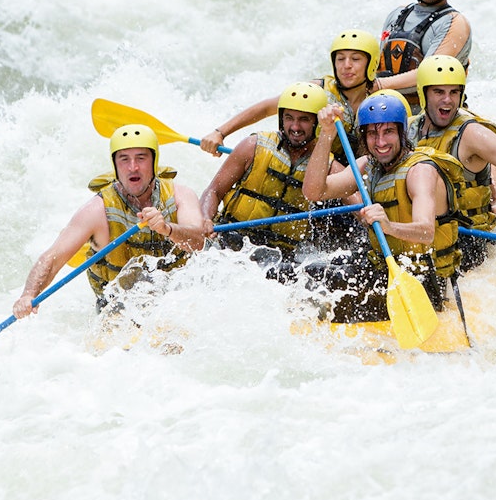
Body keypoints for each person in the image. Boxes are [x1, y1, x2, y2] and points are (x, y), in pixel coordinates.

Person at [301, 94, 466, 323]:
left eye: (388, 132)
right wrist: (326, 135)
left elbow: (426, 232)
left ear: (402, 133)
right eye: (372, 134)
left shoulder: (420, 172)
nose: (380, 142)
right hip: (385, 269)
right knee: (311, 275)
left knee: (333, 305)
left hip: (425, 281)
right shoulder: (369, 165)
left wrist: (389, 226)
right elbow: (313, 192)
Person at [12, 124, 205, 319]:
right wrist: (29, 294)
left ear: (154, 161)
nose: (133, 167)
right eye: (124, 159)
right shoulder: (97, 211)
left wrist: (167, 229)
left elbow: (199, 243)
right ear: (115, 165)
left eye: (141, 158)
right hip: (117, 311)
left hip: (176, 302)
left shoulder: (181, 196)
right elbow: (53, 258)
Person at [199, 82, 357, 266]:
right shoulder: (252, 146)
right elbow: (214, 191)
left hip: (283, 259)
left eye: (304, 119)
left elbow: (361, 208)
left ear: (317, 122)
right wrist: (204, 218)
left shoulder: (329, 167)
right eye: (289, 118)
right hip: (232, 244)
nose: (295, 127)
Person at [408, 55, 496, 270]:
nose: (448, 100)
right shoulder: (409, 128)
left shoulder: (472, 133)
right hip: (429, 230)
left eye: (454, 92)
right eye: (439, 92)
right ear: (423, 94)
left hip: (469, 238)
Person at [199, 30, 381, 163]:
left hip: (348, 175)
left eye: (355, 59)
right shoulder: (317, 91)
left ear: (370, 63)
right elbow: (266, 108)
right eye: (340, 59)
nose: (346, 66)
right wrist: (220, 132)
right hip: (310, 169)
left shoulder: (379, 99)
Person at [375, 0, 473, 110]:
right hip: (390, 109)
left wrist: (375, 85)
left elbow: (430, 74)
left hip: (435, 117)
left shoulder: (455, 23)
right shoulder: (397, 14)